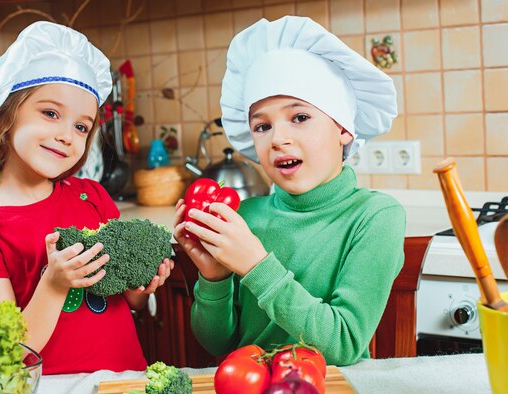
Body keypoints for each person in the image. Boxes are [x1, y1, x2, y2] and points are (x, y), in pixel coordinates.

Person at [173, 16, 405, 366]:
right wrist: (214, 278)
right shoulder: (245, 217)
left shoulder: (375, 217)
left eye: (299, 117)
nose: (278, 138)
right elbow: (218, 344)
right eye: (262, 125)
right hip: (247, 393)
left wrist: (255, 264)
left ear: (343, 127)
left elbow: (342, 344)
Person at [0, 21, 172, 375]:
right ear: (6, 116)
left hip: (124, 383)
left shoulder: (93, 197)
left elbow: (130, 301)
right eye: (51, 113)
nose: (67, 136)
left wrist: (144, 283)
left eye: (81, 127)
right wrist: (53, 284)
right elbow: (9, 352)